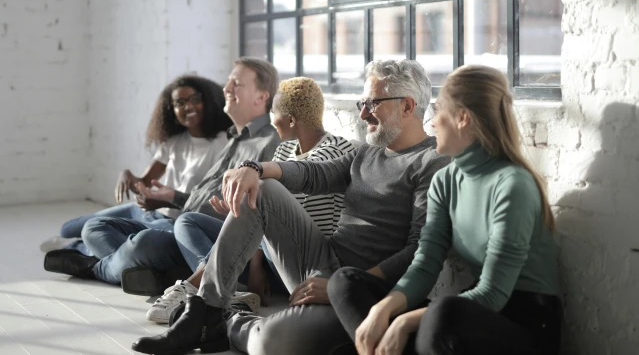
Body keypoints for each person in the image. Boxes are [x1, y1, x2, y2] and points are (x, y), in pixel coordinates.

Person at [132, 59, 451, 355]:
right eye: (362, 104)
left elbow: (419, 250)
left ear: (407, 105)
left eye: (372, 104)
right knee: (264, 188)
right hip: (322, 262)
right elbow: (313, 174)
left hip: (366, 292)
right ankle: (207, 309)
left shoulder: (431, 162)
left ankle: (228, 323)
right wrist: (255, 168)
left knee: (268, 343)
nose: (364, 114)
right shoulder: (367, 152)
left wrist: (340, 289)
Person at [327, 65, 561, 355]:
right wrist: (383, 309)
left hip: (522, 325)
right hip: (462, 317)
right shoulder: (446, 180)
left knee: (444, 311)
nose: (433, 123)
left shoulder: (512, 185)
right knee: (346, 281)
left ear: (462, 118)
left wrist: (403, 324)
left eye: (439, 112)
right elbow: (425, 263)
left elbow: (494, 293)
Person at [43, 58, 282, 293]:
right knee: (95, 228)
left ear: (261, 97)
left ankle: (94, 267)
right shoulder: (235, 138)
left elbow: (260, 211)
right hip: (179, 225)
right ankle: (152, 272)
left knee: (143, 244)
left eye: (236, 84)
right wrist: (172, 197)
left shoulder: (268, 143)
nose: (226, 88)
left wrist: (257, 264)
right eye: (228, 82)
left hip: (203, 237)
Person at [144, 77, 356, 324]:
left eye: (273, 112)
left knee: (258, 194)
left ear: (291, 120)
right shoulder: (285, 150)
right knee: (188, 221)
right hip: (269, 251)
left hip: (303, 260)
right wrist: (242, 215)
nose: (270, 120)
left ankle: (197, 290)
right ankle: (227, 291)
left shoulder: (333, 152)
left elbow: (286, 217)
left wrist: (250, 209)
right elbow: (268, 213)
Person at [39, 75, 231, 252]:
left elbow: (209, 202)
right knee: (68, 228)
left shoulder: (221, 143)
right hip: (146, 211)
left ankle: (78, 247)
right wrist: (128, 176)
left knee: (137, 245)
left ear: (207, 100)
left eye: (194, 99)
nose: (188, 107)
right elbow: (145, 183)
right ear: (171, 110)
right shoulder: (175, 140)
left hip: (174, 220)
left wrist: (167, 199)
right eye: (179, 103)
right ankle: (85, 243)